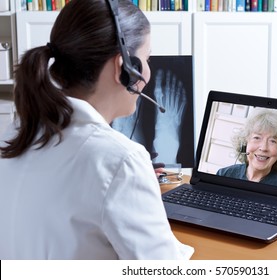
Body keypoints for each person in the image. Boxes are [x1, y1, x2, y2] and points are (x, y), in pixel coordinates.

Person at [0, 0, 193, 259]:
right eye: (147, 58)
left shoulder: (14, 133)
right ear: (124, 68)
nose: (148, 70)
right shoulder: (121, 160)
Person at [216, 108, 277, 190]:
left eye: (272, 141)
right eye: (257, 138)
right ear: (244, 144)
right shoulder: (224, 174)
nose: (264, 148)